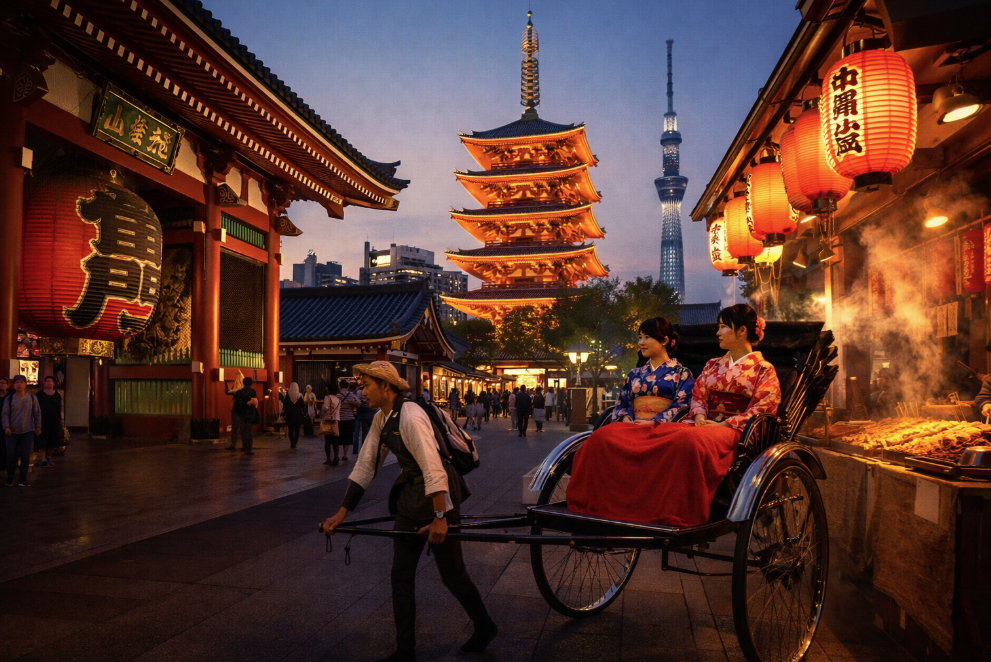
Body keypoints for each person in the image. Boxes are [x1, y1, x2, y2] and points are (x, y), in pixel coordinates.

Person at [322, 362, 497, 661]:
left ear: (386, 386)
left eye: (367, 385)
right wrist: (342, 513)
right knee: (400, 576)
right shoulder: (382, 418)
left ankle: (484, 625)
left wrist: (440, 518)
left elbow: (434, 467)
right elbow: (366, 466)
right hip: (410, 498)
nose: (363, 391)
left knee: (452, 575)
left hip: (441, 498)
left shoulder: (411, 416)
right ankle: (405, 651)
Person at [567, 306, 780, 527]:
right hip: (701, 424)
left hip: (735, 430)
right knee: (661, 435)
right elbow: (698, 395)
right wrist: (698, 416)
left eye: (723, 327)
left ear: (742, 331)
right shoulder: (712, 364)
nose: (717, 333)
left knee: (685, 441)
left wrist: (725, 423)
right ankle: (636, 504)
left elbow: (763, 407)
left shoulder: (764, 369)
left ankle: (677, 509)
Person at [3, 375, 42, 487]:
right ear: (13, 385)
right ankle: (10, 477)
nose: (18, 384)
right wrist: (6, 426)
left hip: (28, 430)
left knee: (25, 455)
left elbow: (37, 412)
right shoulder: (9, 399)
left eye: (21, 382)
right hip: (12, 431)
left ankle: (23, 479)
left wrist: (38, 426)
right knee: (11, 455)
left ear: (25, 384)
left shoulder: (32, 398)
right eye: (16, 382)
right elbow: (5, 414)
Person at [35, 376, 63, 467]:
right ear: (44, 383)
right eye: (47, 381)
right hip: (42, 420)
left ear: (54, 383)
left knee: (53, 440)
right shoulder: (40, 394)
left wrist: (62, 419)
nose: (49, 383)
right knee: (42, 440)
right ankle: (43, 459)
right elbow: (35, 407)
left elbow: (60, 408)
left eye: (51, 381)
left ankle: (48, 457)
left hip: (54, 420)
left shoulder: (57, 395)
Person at [226, 376, 259, 455]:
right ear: (251, 383)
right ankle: (249, 448)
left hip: (241, 413)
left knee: (243, 430)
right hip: (250, 414)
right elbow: (255, 402)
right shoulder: (253, 392)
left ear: (243, 383)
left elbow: (230, 394)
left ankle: (244, 446)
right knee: (249, 431)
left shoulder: (239, 392)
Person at [337, 379, 361, 462]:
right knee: (347, 437)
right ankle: (345, 454)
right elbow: (358, 402)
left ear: (339, 386)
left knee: (338, 436)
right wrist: (352, 404)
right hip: (349, 418)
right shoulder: (351, 395)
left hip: (339, 419)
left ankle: (336, 455)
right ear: (347, 386)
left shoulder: (337, 395)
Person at [321, 380, 343, 466]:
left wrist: (321, 411)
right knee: (335, 441)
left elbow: (325, 407)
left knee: (327, 441)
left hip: (328, 420)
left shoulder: (327, 398)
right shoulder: (338, 399)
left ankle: (328, 458)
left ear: (328, 389)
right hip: (337, 421)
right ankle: (336, 457)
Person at [354, 382, 378, 454]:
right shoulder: (372, 391)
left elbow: (357, 401)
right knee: (369, 431)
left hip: (361, 412)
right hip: (370, 411)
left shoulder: (358, 392)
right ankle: (366, 449)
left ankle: (359, 449)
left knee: (360, 432)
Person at [283, 382, 307, 450]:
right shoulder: (299, 395)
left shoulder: (287, 395)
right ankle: (294, 442)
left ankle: (291, 442)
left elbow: (285, 406)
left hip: (290, 414)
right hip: (298, 415)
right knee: (297, 430)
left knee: (290, 429)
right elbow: (303, 405)